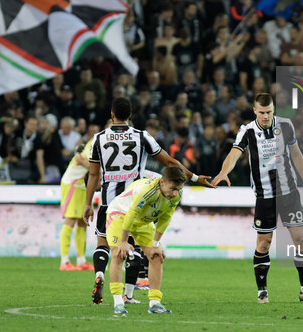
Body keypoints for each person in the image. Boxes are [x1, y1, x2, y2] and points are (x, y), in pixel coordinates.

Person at [83, 97, 213, 305]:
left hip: (110, 201)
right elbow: (170, 162)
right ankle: (130, 294)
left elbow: (92, 174)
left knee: (104, 244)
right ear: (131, 115)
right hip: (138, 198)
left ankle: (99, 274)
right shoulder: (142, 136)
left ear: (112, 114)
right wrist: (195, 177)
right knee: (132, 246)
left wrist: (88, 203)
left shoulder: (99, 138)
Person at [212, 93, 303, 304]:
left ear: (273, 110)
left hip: (289, 193)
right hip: (264, 195)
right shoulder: (247, 131)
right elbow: (234, 153)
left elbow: (296, 154)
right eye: (261, 112)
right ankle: (262, 291)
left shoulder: (286, 125)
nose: (265, 116)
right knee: (264, 243)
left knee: (301, 239)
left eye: (269, 112)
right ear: (254, 111)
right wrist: (224, 172)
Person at [106, 167, 186, 314]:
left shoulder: (177, 194)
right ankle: (118, 303)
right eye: (172, 188)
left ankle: (155, 303)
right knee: (119, 253)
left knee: (156, 256)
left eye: (178, 189)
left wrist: (155, 244)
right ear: (162, 182)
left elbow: (165, 217)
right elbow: (130, 214)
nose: (175, 193)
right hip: (121, 214)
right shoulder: (147, 191)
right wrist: (123, 241)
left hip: (142, 220)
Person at [58, 140, 94, 271]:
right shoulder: (84, 153)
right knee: (70, 220)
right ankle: (64, 261)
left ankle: (81, 260)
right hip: (72, 184)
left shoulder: (87, 153)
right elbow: (90, 166)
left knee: (82, 222)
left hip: (82, 186)